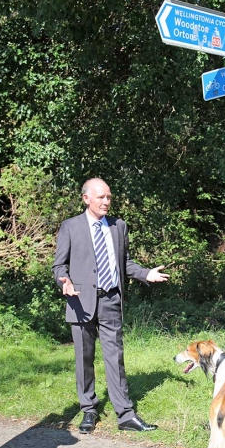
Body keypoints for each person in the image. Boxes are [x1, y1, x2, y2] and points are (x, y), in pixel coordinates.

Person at [52, 178, 169, 434]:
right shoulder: (71, 227)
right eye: (101, 197)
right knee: (84, 359)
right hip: (80, 301)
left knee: (115, 358)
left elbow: (123, 263)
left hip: (111, 300)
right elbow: (59, 265)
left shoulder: (118, 226)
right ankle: (89, 410)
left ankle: (125, 414)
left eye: (109, 197)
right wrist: (64, 280)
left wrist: (145, 273)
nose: (106, 202)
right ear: (86, 199)